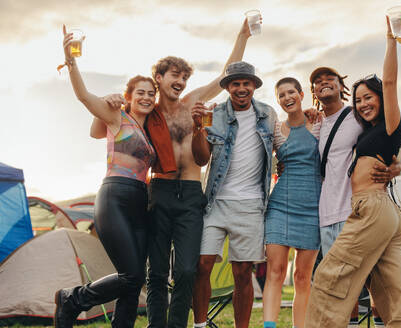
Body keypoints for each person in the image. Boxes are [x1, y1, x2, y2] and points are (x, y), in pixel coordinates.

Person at [90, 19, 255, 328]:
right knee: (156, 273)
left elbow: (224, 74)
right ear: (159, 78)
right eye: (174, 75)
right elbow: (103, 129)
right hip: (159, 193)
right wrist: (114, 98)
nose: (180, 81)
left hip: (192, 194)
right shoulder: (145, 112)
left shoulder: (191, 103)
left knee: (186, 271)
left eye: (184, 76)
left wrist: (242, 35)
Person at [305, 11, 401, 328]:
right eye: (358, 99)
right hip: (388, 215)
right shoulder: (368, 131)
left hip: (372, 208)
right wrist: (398, 164)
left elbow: (391, 81)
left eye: (369, 97)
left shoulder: (391, 125)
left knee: (329, 277)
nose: (363, 103)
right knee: (394, 294)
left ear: (382, 98)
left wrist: (391, 39)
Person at [54, 26, 156, 328]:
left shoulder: (151, 132)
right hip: (114, 195)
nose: (147, 97)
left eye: (152, 93)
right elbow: (84, 96)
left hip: (141, 201)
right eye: (141, 92)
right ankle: (73, 299)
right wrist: (71, 61)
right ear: (130, 96)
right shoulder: (117, 116)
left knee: (133, 278)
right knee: (131, 274)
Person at [191, 61, 277, 328]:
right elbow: (201, 159)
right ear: (227, 87)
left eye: (246, 83)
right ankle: (200, 325)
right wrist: (198, 129)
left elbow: (281, 144)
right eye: (235, 84)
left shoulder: (268, 114)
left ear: (253, 86)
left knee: (242, 273)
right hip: (216, 203)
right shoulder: (213, 115)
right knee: (202, 265)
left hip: (251, 205)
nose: (241, 88)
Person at [262, 77, 321, 328]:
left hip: (313, 208)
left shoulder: (319, 123)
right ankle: (269, 326)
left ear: (301, 94)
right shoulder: (275, 129)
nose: (287, 98)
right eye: (281, 95)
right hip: (281, 206)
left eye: (291, 92)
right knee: (275, 271)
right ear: (278, 101)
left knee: (302, 276)